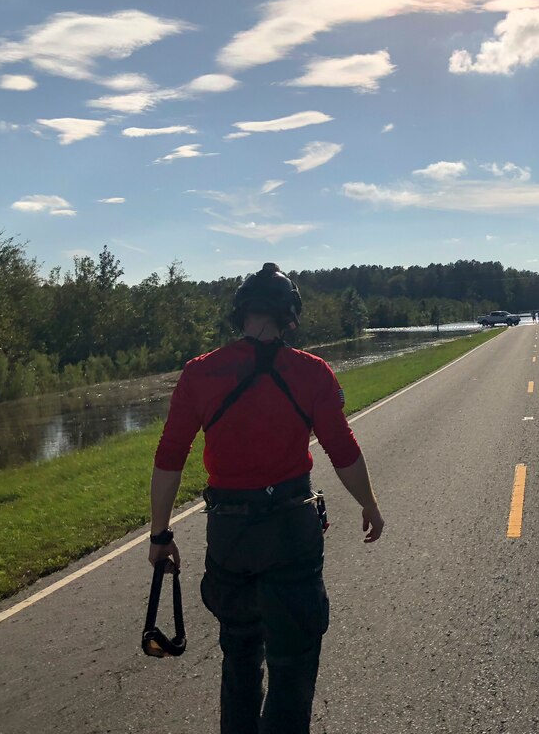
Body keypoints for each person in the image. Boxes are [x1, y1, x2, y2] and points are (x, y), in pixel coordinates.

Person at [148, 262, 385, 734]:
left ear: (240, 313)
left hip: (230, 533)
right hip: (291, 532)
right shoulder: (311, 372)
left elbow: (169, 457)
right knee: (292, 662)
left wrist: (160, 534)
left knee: (238, 654)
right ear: (289, 316)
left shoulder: (201, 372)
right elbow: (343, 450)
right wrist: (369, 505)